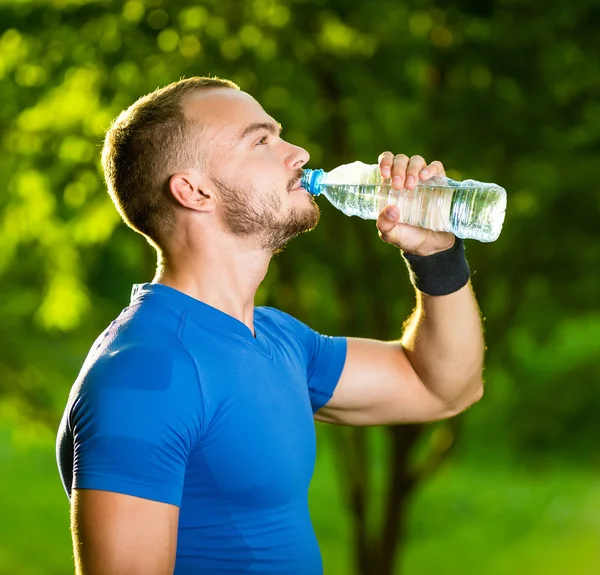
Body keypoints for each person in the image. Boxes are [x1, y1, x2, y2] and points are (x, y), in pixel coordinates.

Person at [56, 76, 485, 575]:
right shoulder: (145, 375)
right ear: (194, 190)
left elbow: (445, 388)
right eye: (261, 140)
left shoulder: (278, 340)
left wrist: (436, 255)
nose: (298, 153)